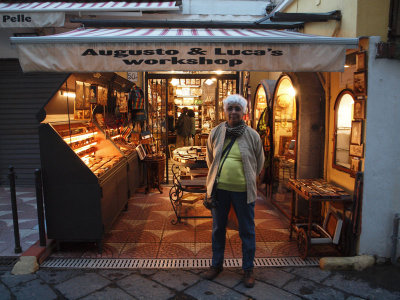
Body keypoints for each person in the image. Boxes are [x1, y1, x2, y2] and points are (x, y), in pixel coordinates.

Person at [203, 94, 265, 288]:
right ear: (225, 111)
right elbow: (210, 159)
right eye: (230, 108)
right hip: (220, 190)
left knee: (247, 230)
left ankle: (248, 269)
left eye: (237, 108)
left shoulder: (253, 135)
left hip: (244, 191)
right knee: (218, 229)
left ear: (244, 112)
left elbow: (260, 162)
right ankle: (216, 265)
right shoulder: (215, 132)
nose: (233, 112)